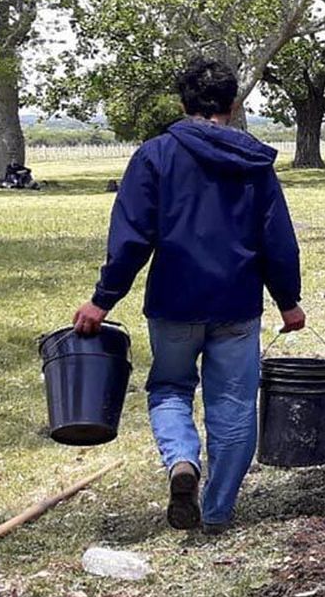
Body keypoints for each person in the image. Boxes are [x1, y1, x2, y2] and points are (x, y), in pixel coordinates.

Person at [71, 56, 305, 536]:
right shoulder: (255, 163)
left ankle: (182, 461)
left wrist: (102, 300)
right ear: (233, 104)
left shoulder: (155, 155)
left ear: (183, 102)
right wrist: (288, 300)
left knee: (171, 387)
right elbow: (276, 239)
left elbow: (131, 237)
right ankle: (218, 512)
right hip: (237, 306)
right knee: (235, 404)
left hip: (174, 301)